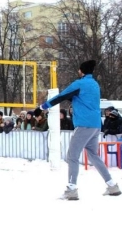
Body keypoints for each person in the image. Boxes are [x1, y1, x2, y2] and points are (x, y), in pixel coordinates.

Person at [36, 60, 121, 200]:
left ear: (81, 71)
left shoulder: (79, 83)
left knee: (72, 156)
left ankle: (71, 189)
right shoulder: (94, 84)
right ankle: (112, 185)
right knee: (93, 155)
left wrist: (42, 107)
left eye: (78, 70)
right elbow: (83, 100)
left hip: (83, 125)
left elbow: (61, 96)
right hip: (95, 125)